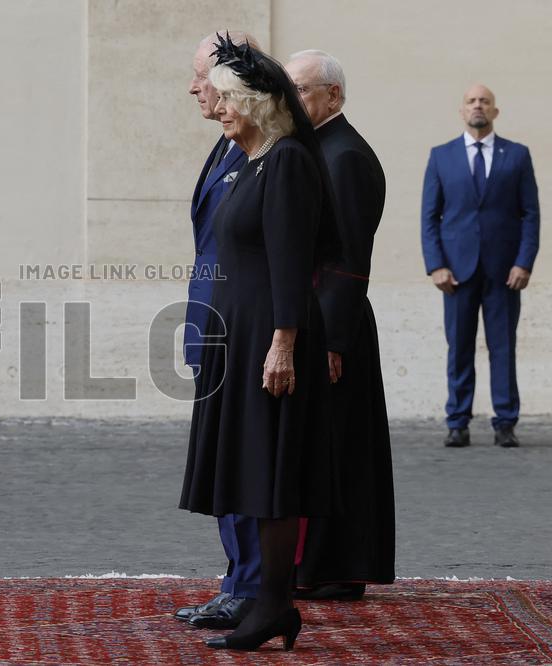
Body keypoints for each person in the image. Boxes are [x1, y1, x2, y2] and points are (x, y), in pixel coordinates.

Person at [180, 34, 340, 651]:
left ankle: (273, 604)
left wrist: (283, 344)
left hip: (272, 340)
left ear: (257, 103)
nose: (218, 110)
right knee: (253, 469)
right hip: (238, 336)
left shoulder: (289, 161)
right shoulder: (250, 161)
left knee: (274, 474)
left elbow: (293, 262)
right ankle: (266, 603)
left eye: (227, 100)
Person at [285, 50, 395, 600]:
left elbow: (349, 257)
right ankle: (314, 566)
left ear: (333, 96)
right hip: (319, 319)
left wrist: (331, 338)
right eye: (290, 89)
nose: (294, 99)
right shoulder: (317, 148)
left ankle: (331, 568)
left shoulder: (344, 155)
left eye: (302, 90)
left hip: (335, 325)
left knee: (337, 450)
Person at [173, 30, 258, 632]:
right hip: (213, 321)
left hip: (243, 327)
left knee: (244, 460)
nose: (194, 88)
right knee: (223, 461)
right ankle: (238, 578)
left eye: (203, 77)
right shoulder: (226, 147)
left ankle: (251, 585)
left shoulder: (262, 150)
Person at [421, 84, 540, 448]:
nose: (478, 106)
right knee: (459, 347)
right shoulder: (442, 156)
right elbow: (430, 216)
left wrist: (524, 262)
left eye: (484, 102)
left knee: (503, 347)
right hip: (456, 273)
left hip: (505, 272)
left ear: (495, 112)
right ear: (462, 111)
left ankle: (505, 421)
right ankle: (458, 420)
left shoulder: (517, 156)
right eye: (472, 101)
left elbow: (530, 215)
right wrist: (436, 265)